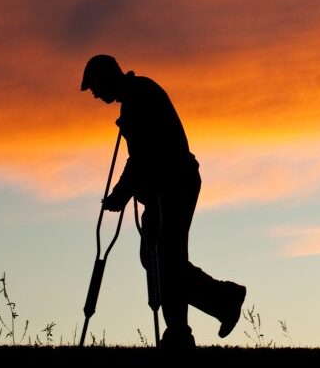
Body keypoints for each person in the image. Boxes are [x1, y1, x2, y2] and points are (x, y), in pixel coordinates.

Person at [81, 54, 246, 349]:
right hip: (163, 188)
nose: (94, 94)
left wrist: (121, 194)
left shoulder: (139, 96)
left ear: (106, 78)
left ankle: (186, 328)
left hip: (174, 185)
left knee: (165, 260)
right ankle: (215, 305)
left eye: (94, 86)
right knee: (157, 259)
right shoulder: (135, 96)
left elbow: (142, 157)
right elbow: (141, 158)